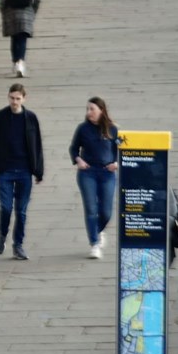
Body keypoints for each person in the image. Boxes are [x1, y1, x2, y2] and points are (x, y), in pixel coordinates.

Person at [0, 83, 44, 261]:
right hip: (6, 170)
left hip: (25, 170)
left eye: (18, 98)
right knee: (6, 207)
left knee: (21, 211)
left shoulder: (30, 118)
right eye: (12, 98)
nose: (14, 102)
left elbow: (37, 146)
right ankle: (2, 234)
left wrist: (39, 171)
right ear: (8, 97)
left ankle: (18, 245)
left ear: (24, 98)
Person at [68, 97, 119, 260]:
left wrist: (116, 163)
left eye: (92, 109)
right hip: (88, 172)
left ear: (101, 111)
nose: (89, 112)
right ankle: (94, 243)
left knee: (106, 211)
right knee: (91, 208)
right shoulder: (82, 129)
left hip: (107, 173)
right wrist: (78, 160)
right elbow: (73, 148)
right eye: (87, 109)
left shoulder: (112, 129)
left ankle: (98, 230)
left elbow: (120, 150)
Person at [0, 0, 41, 78]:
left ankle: (15, 62)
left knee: (14, 39)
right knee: (22, 39)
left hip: (11, 14)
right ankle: (21, 62)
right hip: (26, 13)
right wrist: (33, 11)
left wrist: (4, 11)